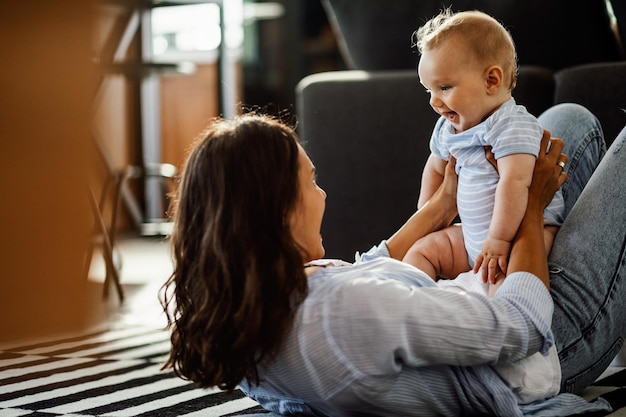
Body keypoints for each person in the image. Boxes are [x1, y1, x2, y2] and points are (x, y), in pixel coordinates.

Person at [160, 103, 624, 416]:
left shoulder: (243, 313)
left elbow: (369, 269)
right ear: (278, 208)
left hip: (494, 318)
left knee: (566, 121)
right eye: (311, 180)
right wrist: (530, 209)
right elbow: (519, 327)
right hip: (546, 347)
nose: (322, 194)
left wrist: (443, 204)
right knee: (581, 135)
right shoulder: (345, 315)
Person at [402, 10, 565, 294]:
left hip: (518, 236)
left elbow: (515, 183)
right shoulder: (448, 127)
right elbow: (436, 167)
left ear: (491, 80)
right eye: (428, 90)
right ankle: (415, 303)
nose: (434, 101)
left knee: (503, 284)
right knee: (420, 251)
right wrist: (428, 214)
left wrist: (500, 240)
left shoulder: (511, 126)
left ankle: (492, 318)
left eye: (444, 87)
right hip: (471, 237)